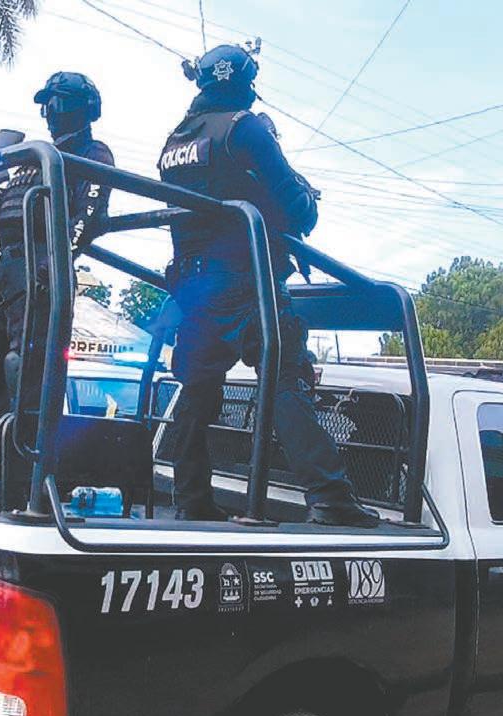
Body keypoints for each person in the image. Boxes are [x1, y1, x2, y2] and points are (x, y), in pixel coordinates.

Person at [157, 44, 379, 527]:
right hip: (247, 280)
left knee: (196, 391)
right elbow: (299, 210)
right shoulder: (245, 127)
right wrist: (303, 195)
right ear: (246, 83)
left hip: (193, 287)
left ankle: (191, 498)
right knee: (284, 378)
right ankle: (329, 496)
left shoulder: (175, 141)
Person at [0, 71, 115, 506]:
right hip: (6, 267)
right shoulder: (30, 158)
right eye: (46, 104)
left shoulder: (91, 153)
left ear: (81, 107)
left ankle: (20, 482)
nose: (49, 112)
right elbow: (3, 204)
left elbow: (87, 218)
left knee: (26, 371)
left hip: (42, 267)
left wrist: (54, 260)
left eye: (56, 102)